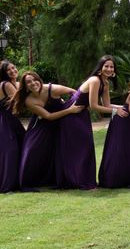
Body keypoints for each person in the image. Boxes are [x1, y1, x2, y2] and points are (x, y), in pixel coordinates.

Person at [57, 55, 126, 189]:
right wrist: (114, 112)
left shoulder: (105, 83)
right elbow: (94, 106)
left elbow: (106, 104)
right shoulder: (95, 80)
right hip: (72, 114)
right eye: (106, 66)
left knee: (86, 147)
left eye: (111, 67)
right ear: (100, 68)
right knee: (81, 147)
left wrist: (122, 107)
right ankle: (78, 181)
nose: (109, 69)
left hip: (81, 114)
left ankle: (84, 180)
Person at [11, 72, 83, 190]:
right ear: (25, 86)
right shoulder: (29, 100)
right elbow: (48, 116)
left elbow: (74, 92)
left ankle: (58, 178)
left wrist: (69, 104)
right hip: (41, 127)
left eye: (35, 80)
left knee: (57, 152)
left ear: (39, 80)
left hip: (59, 124)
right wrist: (70, 110)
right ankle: (28, 181)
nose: (33, 83)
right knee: (31, 151)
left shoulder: (52, 89)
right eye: (28, 82)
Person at [0, 60, 25, 192]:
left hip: (12, 121)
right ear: (4, 73)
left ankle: (17, 181)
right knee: (10, 151)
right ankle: (7, 185)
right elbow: (21, 103)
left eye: (13, 68)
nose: (12, 71)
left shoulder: (15, 83)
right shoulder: (6, 84)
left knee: (21, 146)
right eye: (8, 70)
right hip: (4, 122)